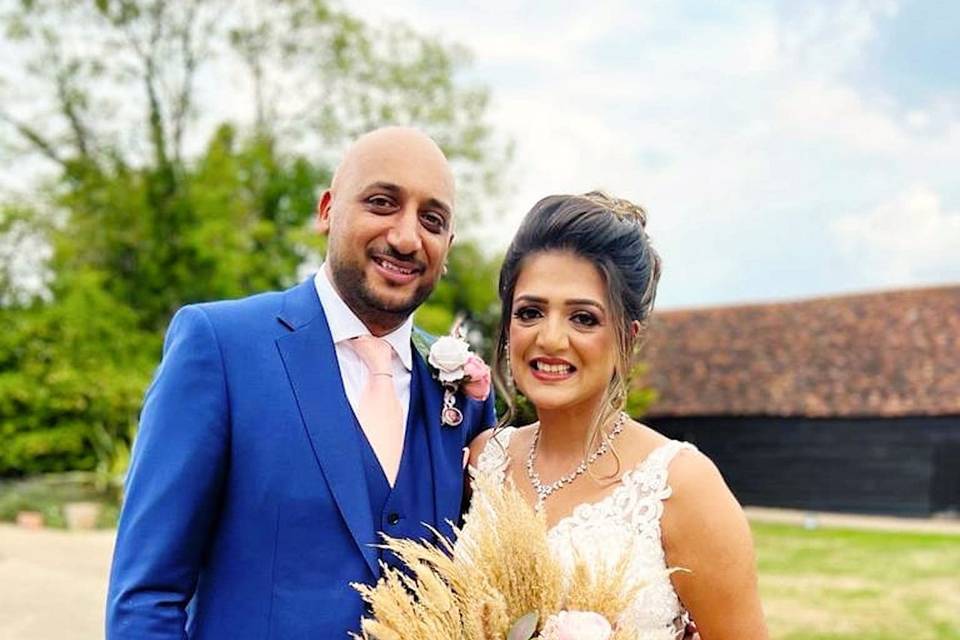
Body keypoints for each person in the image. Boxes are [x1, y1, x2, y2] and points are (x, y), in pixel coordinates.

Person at [106, 127, 496, 639]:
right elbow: (145, 596)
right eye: (382, 203)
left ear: (448, 244)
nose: (406, 237)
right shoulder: (220, 347)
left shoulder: (462, 392)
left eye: (432, 219)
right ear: (328, 210)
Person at [468, 193, 768, 639]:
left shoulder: (681, 486)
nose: (550, 338)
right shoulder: (483, 460)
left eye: (583, 319)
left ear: (627, 337)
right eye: (530, 312)